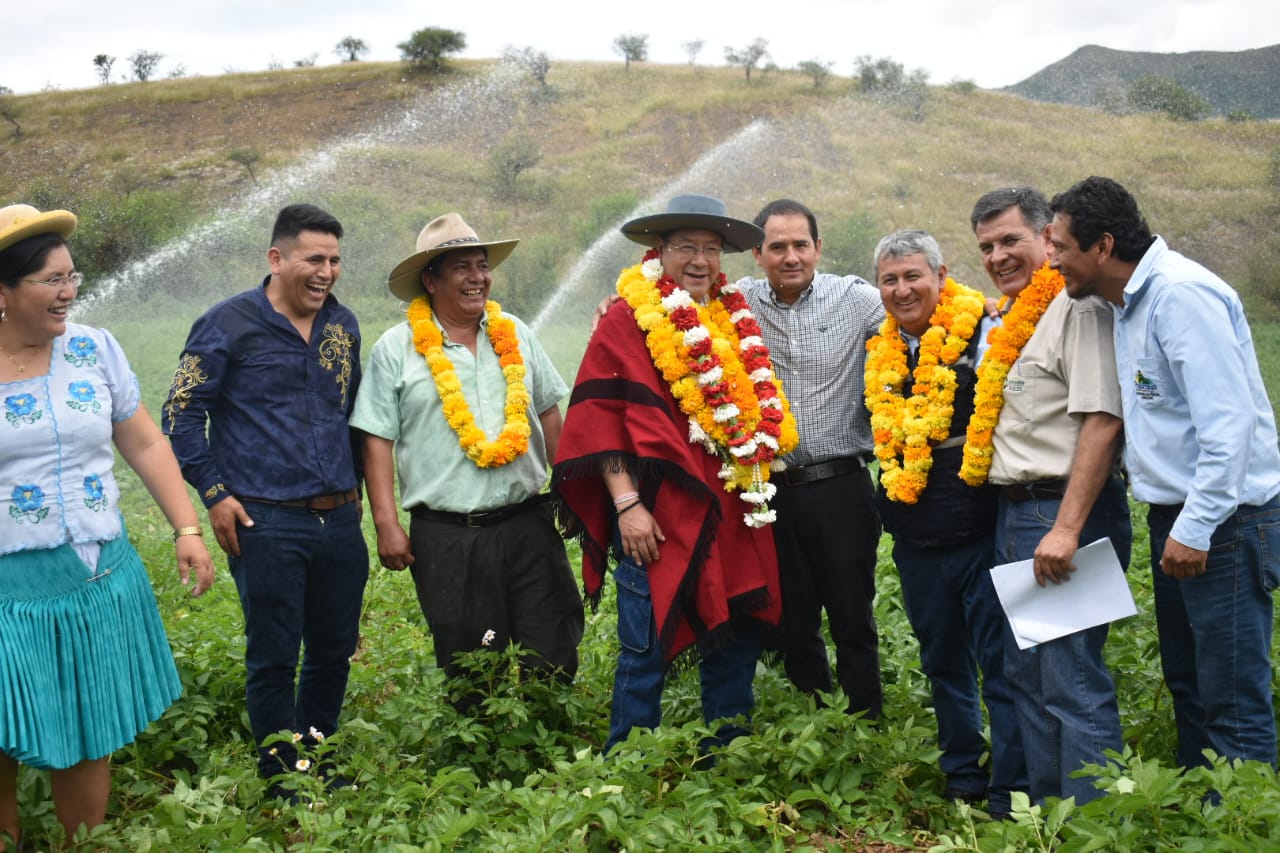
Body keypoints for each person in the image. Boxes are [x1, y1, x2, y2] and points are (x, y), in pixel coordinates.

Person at [0, 203, 214, 847]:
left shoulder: (93, 347)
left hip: (96, 572)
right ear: (3, 293)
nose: (68, 293)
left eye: (72, 277)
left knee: (86, 724)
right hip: (11, 583)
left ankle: (80, 844)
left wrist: (187, 529)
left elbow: (144, 442)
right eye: (51, 281)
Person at [1048, 176, 1280, 770]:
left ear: (1102, 246)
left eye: (1061, 248)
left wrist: (1196, 528)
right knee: (1190, 680)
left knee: (1230, 691)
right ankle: (1202, 811)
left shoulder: (1181, 296)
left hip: (1224, 521)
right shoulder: (1127, 305)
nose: (1053, 263)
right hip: (1178, 517)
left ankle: (1245, 822)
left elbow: (1229, 430)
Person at [555, 194, 798, 752]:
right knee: (644, 648)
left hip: (734, 511)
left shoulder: (730, 318)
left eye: (711, 249)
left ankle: (727, 755)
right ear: (657, 251)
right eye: (686, 246)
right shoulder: (625, 317)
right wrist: (626, 505)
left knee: (735, 633)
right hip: (656, 515)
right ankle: (627, 762)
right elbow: (603, 423)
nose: (700, 260)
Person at [163, 203, 368, 799]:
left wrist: (358, 488)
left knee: (333, 648)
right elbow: (180, 413)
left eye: (334, 260)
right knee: (274, 652)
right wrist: (214, 492)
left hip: (339, 516)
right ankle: (282, 776)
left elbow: (349, 412)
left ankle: (317, 754)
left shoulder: (343, 326)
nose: (326, 271)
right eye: (314, 259)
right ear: (277, 259)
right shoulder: (226, 324)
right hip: (265, 518)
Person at [350, 213, 583, 702]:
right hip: (449, 534)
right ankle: (480, 756)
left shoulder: (513, 332)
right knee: (468, 659)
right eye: (461, 267)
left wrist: (570, 492)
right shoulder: (397, 348)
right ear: (430, 280)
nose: (477, 277)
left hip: (528, 522)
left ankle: (547, 739)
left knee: (553, 640)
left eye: (481, 265)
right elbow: (376, 439)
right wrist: (387, 524)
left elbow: (548, 411)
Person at [960, 187, 1132, 805]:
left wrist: (1065, 528)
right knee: (1027, 677)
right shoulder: (1008, 319)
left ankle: (1099, 825)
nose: (999, 256)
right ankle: (1051, 818)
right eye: (986, 246)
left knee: (1070, 679)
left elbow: (1103, 420)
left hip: (1064, 511)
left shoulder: (1075, 309)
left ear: (1048, 240)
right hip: (1017, 513)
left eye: (1011, 240)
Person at [866, 229, 1025, 817]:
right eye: (890, 279)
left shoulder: (984, 328)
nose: (903, 289)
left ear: (942, 275)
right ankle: (964, 774)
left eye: (914, 276)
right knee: (942, 662)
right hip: (915, 536)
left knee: (1001, 664)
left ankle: (1012, 789)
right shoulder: (878, 349)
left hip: (983, 530)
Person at [739, 199, 886, 717]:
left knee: (853, 613)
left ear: (818, 247)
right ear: (757, 253)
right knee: (791, 616)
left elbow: (920, 311)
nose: (791, 256)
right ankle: (814, 716)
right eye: (777, 247)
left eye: (801, 244)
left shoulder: (855, 299)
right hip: (769, 489)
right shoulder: (736, 304)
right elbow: (668, 311)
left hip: (841, 486)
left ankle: (866, 716)